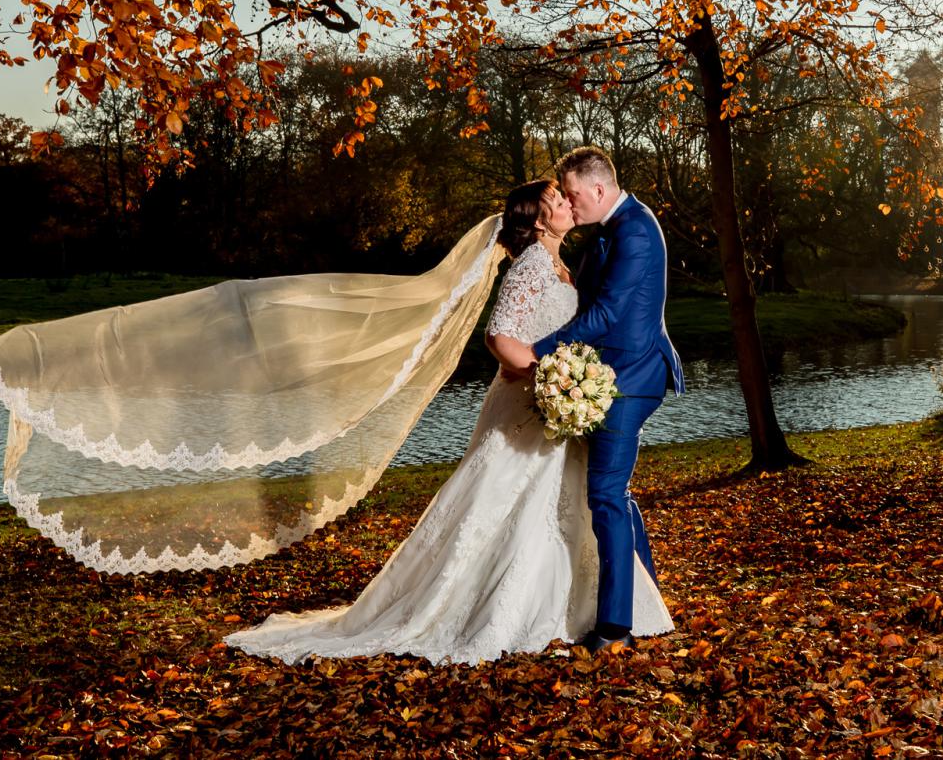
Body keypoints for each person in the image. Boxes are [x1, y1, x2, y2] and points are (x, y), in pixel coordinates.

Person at [224, 179, 673, 664]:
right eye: (557, 200)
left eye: (568, 197)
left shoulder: (565, 265)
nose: (567, 202)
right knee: (502, 503)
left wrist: (570, 382)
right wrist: (550, 376)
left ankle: (576, 609)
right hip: (530, 404)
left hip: (555, 407)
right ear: (540, 220)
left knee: (568, 504)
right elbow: (499, 336)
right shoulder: (530, 268)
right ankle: (488, 610)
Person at [531, 147, 685, 654]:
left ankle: (616, 627)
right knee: (613, 492)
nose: (570, 206)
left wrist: (536, 351)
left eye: (573, 195)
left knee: (604, 495)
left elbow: (606, 316)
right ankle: (645, 601)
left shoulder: (635, 230)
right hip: (607, 372)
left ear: (598, 190)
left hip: (634, 374)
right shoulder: (608, 230)